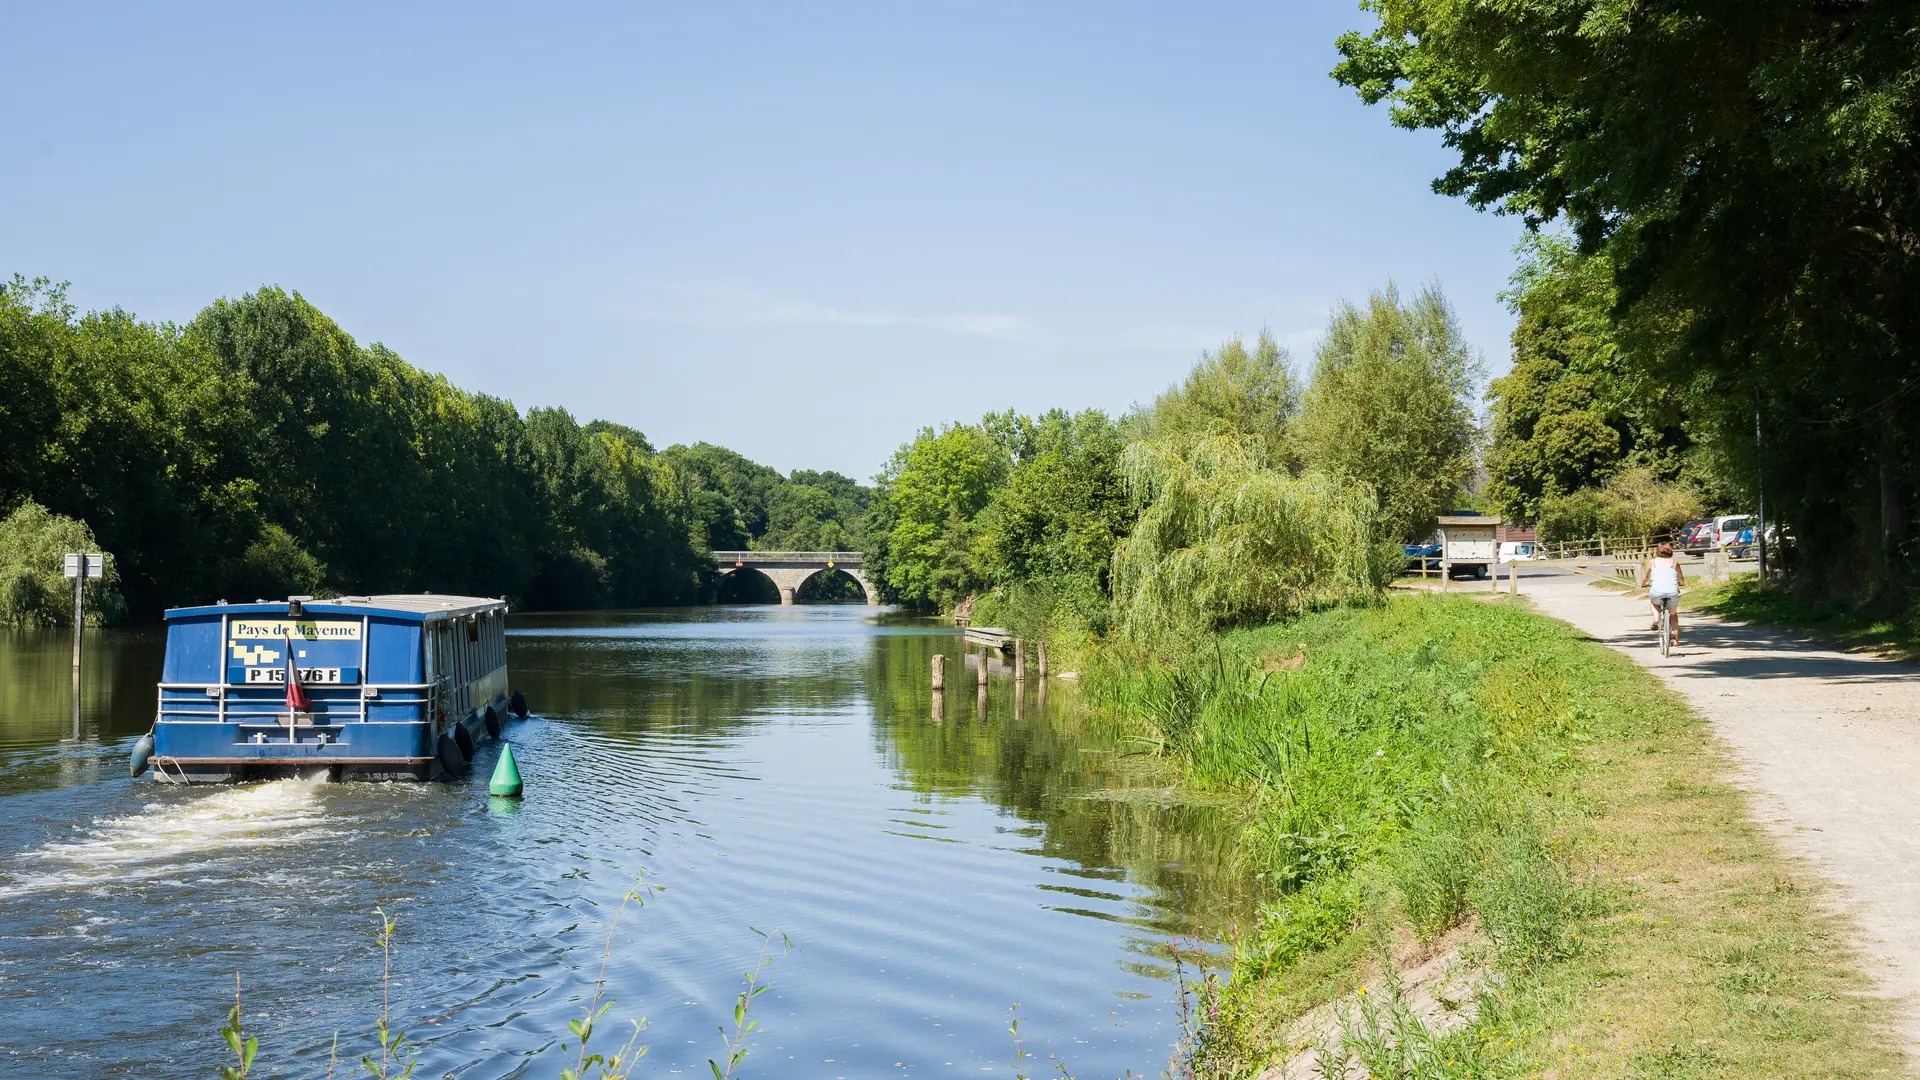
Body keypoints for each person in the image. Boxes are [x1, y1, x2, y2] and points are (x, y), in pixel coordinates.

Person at [1640, 541, 1684, 645]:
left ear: (1657, 551)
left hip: (1657, 592)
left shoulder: (1653, 562)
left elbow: (1646, 576)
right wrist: (1681, 583)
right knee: (1673, 614)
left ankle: (1656, 618)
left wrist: (1644, 583)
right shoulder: (1674, 562)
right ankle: (1676, 639)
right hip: (1672, 592)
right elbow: (1680, 577)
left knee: (1653, 602)